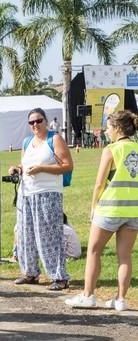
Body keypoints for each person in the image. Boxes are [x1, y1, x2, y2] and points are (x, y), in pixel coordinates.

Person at [65, 111, 138, 311]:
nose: (106, 131)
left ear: (118, 128)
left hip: (110, 207)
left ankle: (88, 295)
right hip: (133, 210)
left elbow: (99, 183)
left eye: (108, 127)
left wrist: (93, 206)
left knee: (94, 251)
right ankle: (121, 299)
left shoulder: (111, 149)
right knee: (125, 255)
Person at [8, 108, 73, 291]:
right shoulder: (27, 141)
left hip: (48, 193)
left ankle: (59, 277)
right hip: (26, 193)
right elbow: (25, 164)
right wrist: (17, 168)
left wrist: (42, 168)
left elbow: (67, 166)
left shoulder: (55, 139)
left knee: (49, 236)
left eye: (38, 121)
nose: (35, 125)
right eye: (32, 122)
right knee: (25, 235)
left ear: (46, 121)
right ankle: (30, 273)